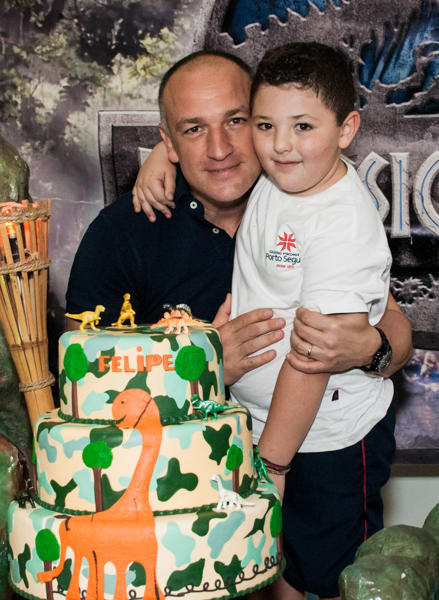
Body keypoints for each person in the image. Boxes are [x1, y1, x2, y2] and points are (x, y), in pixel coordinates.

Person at [129, 44, 397, 600]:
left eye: (303, 127)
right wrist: (159, 159)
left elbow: (313, 358)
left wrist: (272, 464)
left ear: (347, 129)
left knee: (334, 575)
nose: (279, 145)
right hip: (260, 427)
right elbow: (214, 147)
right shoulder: (283, 176)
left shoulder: (341, 223)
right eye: (266, 125)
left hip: (327, 436)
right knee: (282, 564)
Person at [66, 50, 411, 390]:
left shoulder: (303, 196)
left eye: (236, 121)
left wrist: (370, 351)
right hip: (187, 430)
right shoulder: (120, 234)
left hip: (333, 424)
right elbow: (82, 382)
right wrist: (199, 371)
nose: (219, 149)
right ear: (169, 143)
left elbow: (393, 329)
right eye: (194, 129)